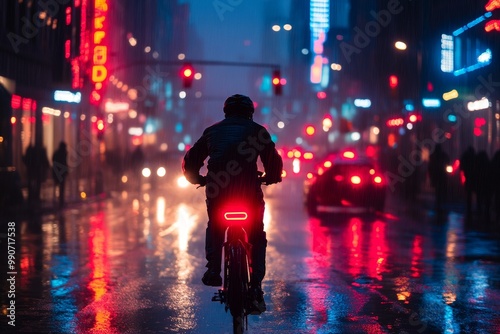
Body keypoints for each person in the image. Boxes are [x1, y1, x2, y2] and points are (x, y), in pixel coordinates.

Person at [182, 94, 283, 314]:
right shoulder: (258, 131)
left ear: (226, 111)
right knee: (256, 235)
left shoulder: (212, 131)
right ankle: (255, 286)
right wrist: (272, 176)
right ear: (250, 112)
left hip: (218, 192)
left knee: (216, 226)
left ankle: (213, 270)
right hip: (249, 193)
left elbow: (191, 161)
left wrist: (198, 179)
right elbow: (273, 162)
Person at [428, 144, 450, 213]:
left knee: (438, 189)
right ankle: (440, 202)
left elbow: (430, 166)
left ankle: (439, 202)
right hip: (441, 175)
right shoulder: (442, 155)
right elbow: (447, 161)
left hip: (437, 175)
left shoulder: (433, 156)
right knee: (441, 189)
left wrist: (431, 174)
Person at [459, 146, 476, 218]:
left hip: (468, 175)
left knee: (468, 191)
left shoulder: (466, 156)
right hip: (473, 176)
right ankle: (470, 206)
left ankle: (468, 206)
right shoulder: (474, 156)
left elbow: (462, 165)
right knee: (471, 191)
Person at [52, 141, 69, 208]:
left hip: (57, 171)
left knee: (57, 185)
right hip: (60, 172)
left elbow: (53, 160)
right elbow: (64, 163)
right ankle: (60, 200)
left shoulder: (57, 153)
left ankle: (56, 200)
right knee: (61, 187)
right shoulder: (63, 153)